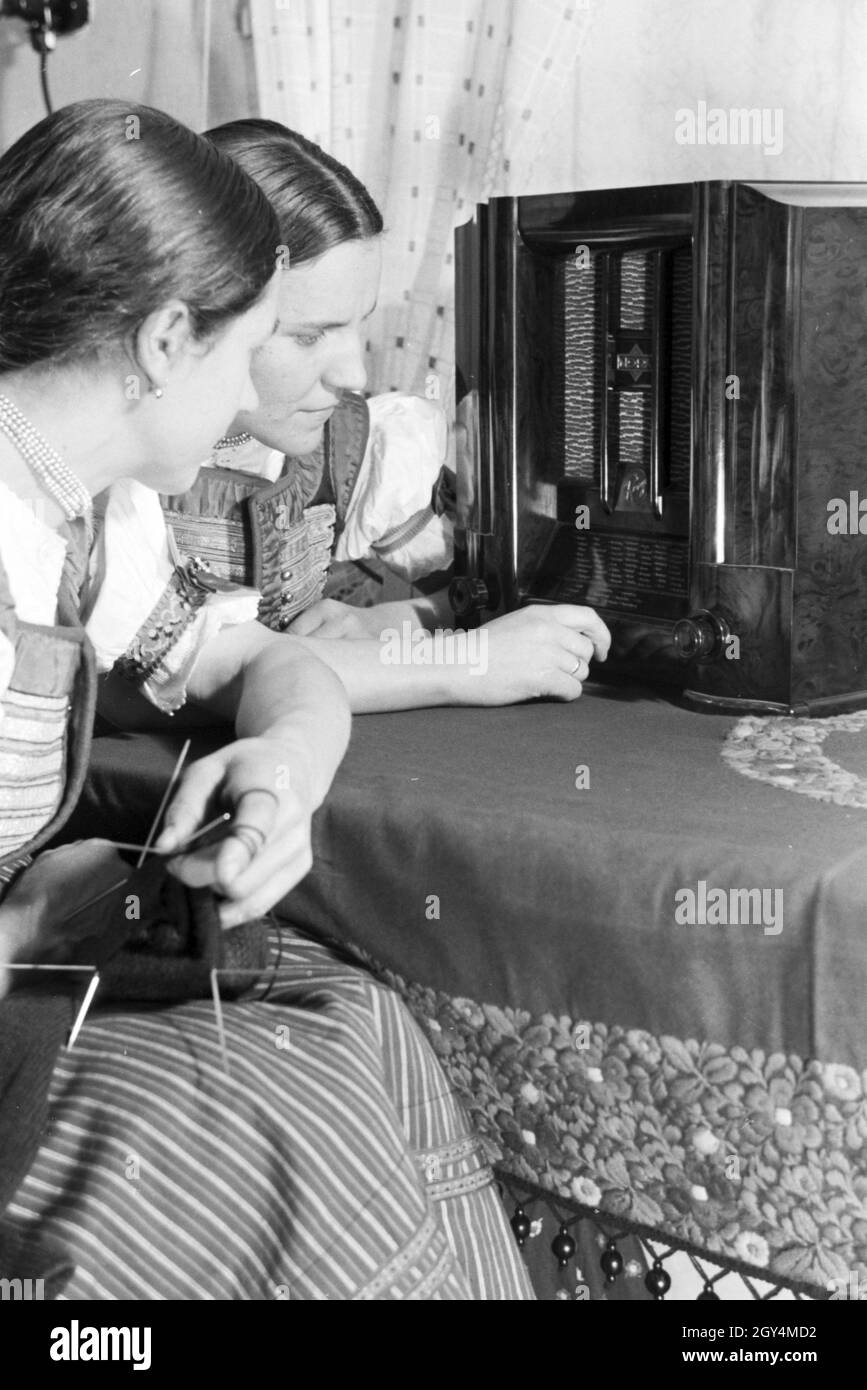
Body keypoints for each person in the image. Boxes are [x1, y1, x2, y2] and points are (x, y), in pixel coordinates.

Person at [0, 99, 533, 1299]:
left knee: (358, 1026)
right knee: (293, 1125)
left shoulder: (91, 507)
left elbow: (265, 665)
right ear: (168, 340)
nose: (264, 399)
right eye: (254, 351)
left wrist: (285, 765)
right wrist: (29, 928)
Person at [99, 119, 610, 723]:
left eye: (358, 323)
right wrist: (465, 662)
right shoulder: (106, 462)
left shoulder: (351, 444)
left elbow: (546, 575)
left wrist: (402, 619)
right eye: (309, 334)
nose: (355, 374)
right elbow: (160, 679)